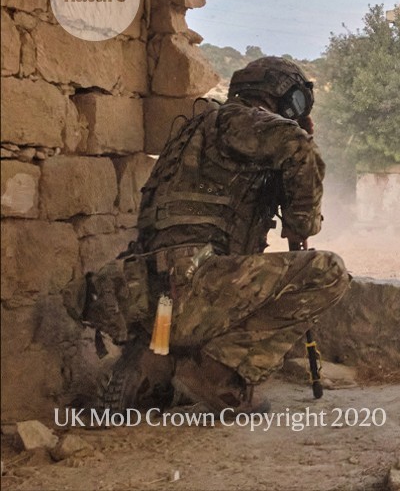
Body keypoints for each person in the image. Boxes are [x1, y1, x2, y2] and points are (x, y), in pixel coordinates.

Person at [66, 57, 350, 413]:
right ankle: (215, 374)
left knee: (182, 324)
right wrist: (301, 221)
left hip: (146, 293)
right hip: (194, 289)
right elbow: (298, 148)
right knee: (328, 273)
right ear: (278, 94)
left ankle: (151, 367)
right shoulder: (240, 121)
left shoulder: (192, 133)